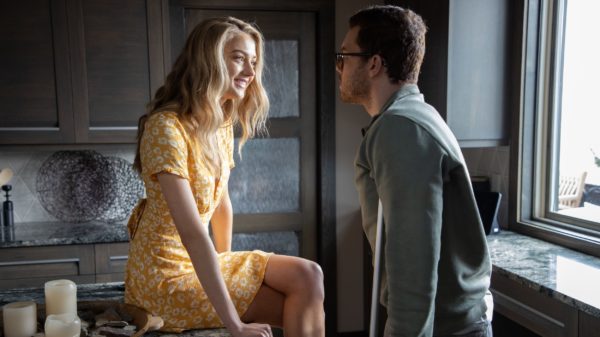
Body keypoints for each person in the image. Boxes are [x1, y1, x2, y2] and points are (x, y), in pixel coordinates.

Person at [124, 17, 325, 337]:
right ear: (209, 59)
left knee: (309, 275)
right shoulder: (166, 127)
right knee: (299, 303)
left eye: (254, 62)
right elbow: (191, 232)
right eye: (238, 58)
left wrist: (224, 262)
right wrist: (234, 324)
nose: (250, 72)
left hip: (196, 263)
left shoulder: (218, 125)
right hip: (163, 279)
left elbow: (221, 204)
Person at [337, 5, 493, 337]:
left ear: (374, 63)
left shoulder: (401, 129)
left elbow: (413, 265)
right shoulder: (411, 118)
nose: (339, 68)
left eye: (345, 56)